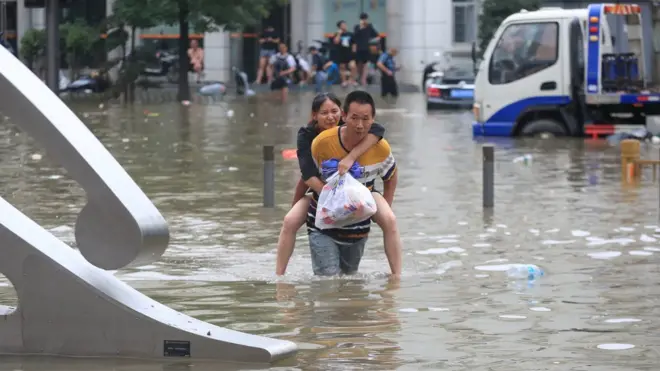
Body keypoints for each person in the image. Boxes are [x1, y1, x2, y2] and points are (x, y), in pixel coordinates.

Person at [275, 92, 402, 277]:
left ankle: (396, 277)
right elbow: (307, 175)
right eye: (324, 113)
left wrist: (351, 158)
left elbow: (378, 131)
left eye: (334, 111)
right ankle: (279, 276)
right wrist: (332, 196)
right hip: (321, 189)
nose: (330, 117)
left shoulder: (357, 128)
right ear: (314, 116)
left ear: (341, 113)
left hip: (362, 189)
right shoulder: (311, 138)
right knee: (289, 220)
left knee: (390, 219)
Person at [352, 13, 380, 86]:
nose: (364, 20)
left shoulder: (369, 27)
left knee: (366, 64)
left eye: (365, 19)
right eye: (363, 19)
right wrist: (361, 27)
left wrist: (373, 42)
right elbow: (354, 36)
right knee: (359, 64)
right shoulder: (357, 27)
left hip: (366, 48)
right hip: (359, 48)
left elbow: (376, 35)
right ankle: (359, 77)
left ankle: (363, 79)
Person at [332, 20, 357, 87]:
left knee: (353, 66)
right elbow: (336, 42)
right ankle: (344, 81)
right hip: (341, 53)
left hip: (349, 53)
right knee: (342, 67)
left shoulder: (350, 34)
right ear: (339, 27)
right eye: (342, 25)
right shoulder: (336, 34)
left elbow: (354, 43)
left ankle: (351, 80)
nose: (344, 26)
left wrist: (354, 52)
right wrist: (339, 34)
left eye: (345, 24)